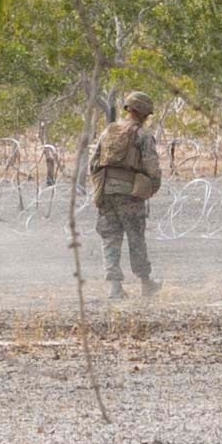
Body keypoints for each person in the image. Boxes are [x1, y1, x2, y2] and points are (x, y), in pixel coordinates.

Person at [90, 91, 162, 300]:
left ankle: (115, 288)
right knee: (136, 238)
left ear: (129, 108)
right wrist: (150, 188)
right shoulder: (143, 135)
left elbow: (94, 163)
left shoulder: (108, 131)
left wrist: (102, 187)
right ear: (145, 113)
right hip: (130, 193)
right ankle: (146, 284)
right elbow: (153, 168)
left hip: (106, 191)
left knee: (110, 238)